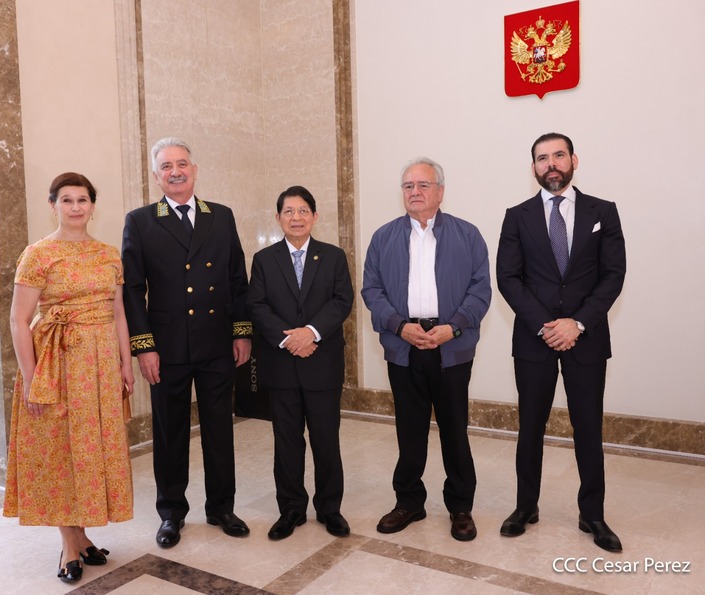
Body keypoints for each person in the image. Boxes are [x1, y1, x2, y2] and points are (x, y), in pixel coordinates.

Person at [496, 132, 626, 552]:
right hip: (534, 339)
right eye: (541, 158)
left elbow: (613, 275)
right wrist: (547, 325)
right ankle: (525, 507)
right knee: (530, 426)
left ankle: (593, 514)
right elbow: (508, 278)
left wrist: (578, 324)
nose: (550, 164)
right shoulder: (516, 216)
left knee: (588, 427)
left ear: (574, 160)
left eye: (558, 155)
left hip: (586, 338)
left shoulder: (602, 211)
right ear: (533, 167)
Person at [4, 172, 135, 583]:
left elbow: (118, 313)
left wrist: (125, 362)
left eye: (82, 200)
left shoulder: (109, 254)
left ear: (93, 206)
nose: (76, 207)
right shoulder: (38, 254)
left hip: (101, 364)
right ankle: (68, 544)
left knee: (91, 448)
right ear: (53, 205)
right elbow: (18, 320)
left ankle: (81, 535)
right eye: (67, 200)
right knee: (62, 450)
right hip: (57, 363)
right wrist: (31, 379)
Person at [122, 137, 252, 548]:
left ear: (194, 170)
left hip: (216, 344)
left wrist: (241, 332)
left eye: (182, 164)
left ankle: (221, 507)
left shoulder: (221, 216)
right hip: (167, 349)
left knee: (220, 430)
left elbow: (237, 278)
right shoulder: (141, 221)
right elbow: (132, 290)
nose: (175, 171)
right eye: (166, 166)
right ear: (156, 176)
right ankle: (171, 512)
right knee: (169, 434)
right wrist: (144, 346)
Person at [361, 158, 491, 542]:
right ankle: (409, 502)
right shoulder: (383, 238)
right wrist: (400, 326)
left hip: (451, 345)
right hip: (404, 344)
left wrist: (453, 327)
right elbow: (372, 290)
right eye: (408, 186)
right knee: (409, 429)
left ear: (440, 191)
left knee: (454, 430)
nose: (414, 192)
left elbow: (481, 289)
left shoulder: (468, 235)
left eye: (423, 185)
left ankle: (460, 507)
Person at [248, 186, 354, 540]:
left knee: (326, 440)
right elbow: (257, 306)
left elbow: (342, 301)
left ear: (315, 216)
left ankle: (329, 508)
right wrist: (289, 340)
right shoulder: (264, 259)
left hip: (322, 363)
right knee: (287, 442)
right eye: (289, 212)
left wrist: (310, 333)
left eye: (303, 211)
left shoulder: (333, 256)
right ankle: (291, 508)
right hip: (281, 365)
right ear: (278, 218)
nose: (296, 217)